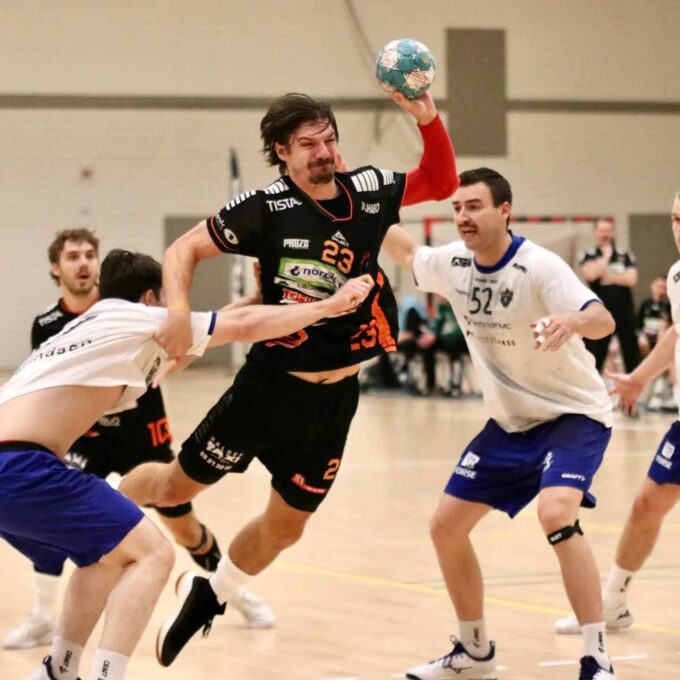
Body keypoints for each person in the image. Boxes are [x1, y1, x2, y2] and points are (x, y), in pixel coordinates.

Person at [117, 89, 458, 666]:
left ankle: (209, 594)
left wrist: (426, 116)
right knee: (175, 488)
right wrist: (177, 312)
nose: (323, 151)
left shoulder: (370, 190)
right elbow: (182, 250)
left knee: (286, 528)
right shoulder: (265, 207)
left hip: (336, 399)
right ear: (282, 151)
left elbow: (441, 180)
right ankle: (102, 501)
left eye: (329, 139)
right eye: (308, 144)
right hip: (270, 387)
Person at [0, 249, 372, 680]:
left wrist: (252, 299)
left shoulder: (93, 328)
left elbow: (187, 346)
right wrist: (330, 305)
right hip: (22, 466)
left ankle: (58, 672)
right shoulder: (142, 318)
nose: (175, 311)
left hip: (14, 465)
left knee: (102, 556)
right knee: (154, 555)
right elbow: (241, 329)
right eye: (169, 300)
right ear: (151, 298)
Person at [382, 168, 617, 680]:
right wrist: (355, 201)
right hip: (510, 424)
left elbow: (603, 320)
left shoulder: (540, 266)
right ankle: (474, 652)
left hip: (573, 414)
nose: (463, 217)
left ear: (504, 210)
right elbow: (406, 251)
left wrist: (571, 320)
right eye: (457, 208)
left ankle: (597, 659)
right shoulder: (454, 263)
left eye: (474, 206)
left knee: (556, 513)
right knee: (445, 527)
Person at [4, 230, 273, 652]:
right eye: (73, 256)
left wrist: (250, 303)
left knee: (183, 527)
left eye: (89, 255)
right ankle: (44, 618)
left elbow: (191, 335)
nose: (83, 263)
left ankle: (228, 594)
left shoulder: (130, 310)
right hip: (86, 439)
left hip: (141, 433)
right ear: (56, 268)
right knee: (60, 533)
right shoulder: (49, 324)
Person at [554, 192, 680, 637]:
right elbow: (675, 334)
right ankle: (613, 604)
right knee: (647, 505)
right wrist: (639, 378)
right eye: (676, 218)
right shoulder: (677, 275)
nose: (679, 227)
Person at [580, 218, 641, 374]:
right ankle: (593, 384)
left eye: (608, 231)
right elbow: (591, 275)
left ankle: (635, 384)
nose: (605, 234)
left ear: (613, 232)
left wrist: (607, 276)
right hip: (600, 309)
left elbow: (631, 280)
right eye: (602, 231)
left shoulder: (624, 254)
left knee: (631, 349)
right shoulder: (589, 254)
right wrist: (606, 257)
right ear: (595, 233)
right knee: (595, 350)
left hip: (624, 308)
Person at [636, 275, 673, 411]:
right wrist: (641, 337)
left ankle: (659, 394)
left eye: (664, 288)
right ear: (652, 287)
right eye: (658, 287)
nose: (660, 290)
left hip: (662, 343)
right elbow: (637, 325)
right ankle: (644, 393)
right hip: (647, 343)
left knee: (664, 356)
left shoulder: (668, 305)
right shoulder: (645, 304)